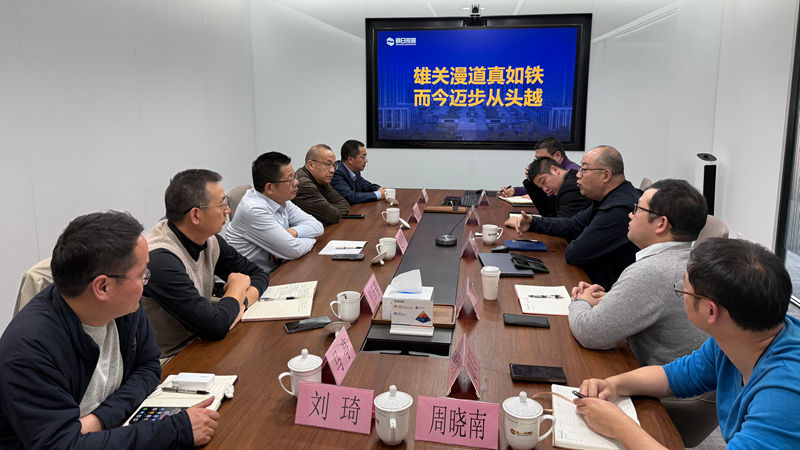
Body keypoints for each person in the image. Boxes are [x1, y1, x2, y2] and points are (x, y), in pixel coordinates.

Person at [0, 211, 218, 448]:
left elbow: (148, 366)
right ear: (103, 287)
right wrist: (176, 430)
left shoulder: (125, 307)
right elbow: (61, 445)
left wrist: (99, 419)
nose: (146, 282)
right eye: (141, 275)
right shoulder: (28, 351)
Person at [575, 238, 800, 449]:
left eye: (684, 290)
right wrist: (613, 384)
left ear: (710, 311)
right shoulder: (738, 338)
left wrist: (619, 427)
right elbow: (673, 377)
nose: (682, 295)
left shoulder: (784, 394)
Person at [142, 169, 269, 358]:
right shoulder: (159, 260)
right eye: (222, 203)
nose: (228, 210)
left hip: (201, 342)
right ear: (195, 215)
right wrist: (237, 286)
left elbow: (258, 274)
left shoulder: (209, 239)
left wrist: (241, 301)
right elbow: (215, 327)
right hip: (170, 359)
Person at [516, 145, 640, 290]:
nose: (578, 175)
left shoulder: (617, 210)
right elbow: (573, 224)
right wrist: (533, 222)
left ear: (606, 176)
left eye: (584, 169)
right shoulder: (609, 197)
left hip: (609, 291)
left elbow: (575, 253)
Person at [226, 151, 323, 273]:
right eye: (290, 179)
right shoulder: (254, 210)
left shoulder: (281, 198)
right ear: (270, 188)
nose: (296, 182)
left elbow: (317, 226)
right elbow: (294, 250)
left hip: (277, 269)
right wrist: (313, 237)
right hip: (251, 279)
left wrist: (294, 232)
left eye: (294, 176)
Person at [499, 136, 580, 198]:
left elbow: (552, 196)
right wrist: (514, 191)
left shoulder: (572, 173)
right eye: (537, 159)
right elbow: (541, 188)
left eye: (542, 159)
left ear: (557, 155)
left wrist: (534, 197)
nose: (538, 163)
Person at [293, 144, 351, 225]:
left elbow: (344, 204)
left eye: (334, 165)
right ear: (311, 165)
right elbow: (333, 216)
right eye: (328, 164)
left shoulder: (321, 179)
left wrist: (330, 212)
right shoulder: (303, 184)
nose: (332, 170)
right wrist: (330, 212)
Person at [523, 157, 591, 218]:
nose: (545, 189)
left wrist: (533, 223)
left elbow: (563, 224)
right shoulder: (561, 186)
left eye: (543, 182)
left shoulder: (572, 188)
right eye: (541, 187)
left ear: (555, 170)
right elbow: (548, 213)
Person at [331, 139, 385, 204]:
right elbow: (350, 197)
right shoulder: (336, 172)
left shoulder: (355, 170)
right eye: (363, 157)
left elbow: (365, 185)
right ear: (350, 160)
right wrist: (378, 194)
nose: (366, 161)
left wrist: (381, 189)